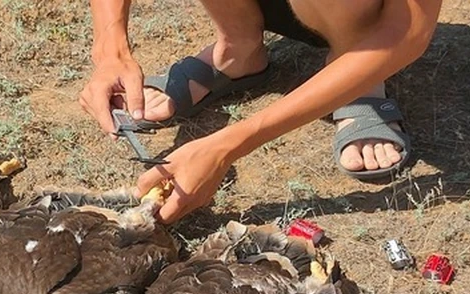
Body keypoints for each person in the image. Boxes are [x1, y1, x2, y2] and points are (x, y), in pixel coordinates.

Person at [80, 0, 443, 224]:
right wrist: (110, 51)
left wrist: (225, 146)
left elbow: (407, 29)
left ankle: (357, 75)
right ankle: (239, 47)